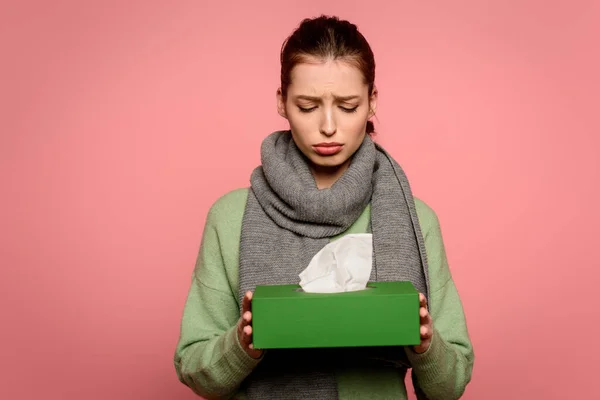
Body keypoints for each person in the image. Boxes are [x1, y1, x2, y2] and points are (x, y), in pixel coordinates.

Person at [174, 15, 474, 400]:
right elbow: (194, 368)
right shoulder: (230, 217)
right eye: (308, 105)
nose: (328, 126)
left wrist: (425, 343)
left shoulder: (417, 220)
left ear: (372, 102)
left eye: (348, 107)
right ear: (282, 102)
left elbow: (450, 387)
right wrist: (242, 345)